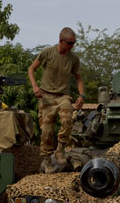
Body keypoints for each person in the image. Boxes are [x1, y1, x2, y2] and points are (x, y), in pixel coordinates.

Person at [28, 27, 86, 158]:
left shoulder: (73, 59)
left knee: (67, 121)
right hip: (46, 96)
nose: (72, 46)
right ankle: (47, 159)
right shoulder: (47, 52)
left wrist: (82, 95)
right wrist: (34, 86)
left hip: (63, 96)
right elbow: (31, 69)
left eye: (74, 43)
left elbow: (79, 79)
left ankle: (60, 149)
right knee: (46, 132)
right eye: (70, 43)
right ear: (61, 41)